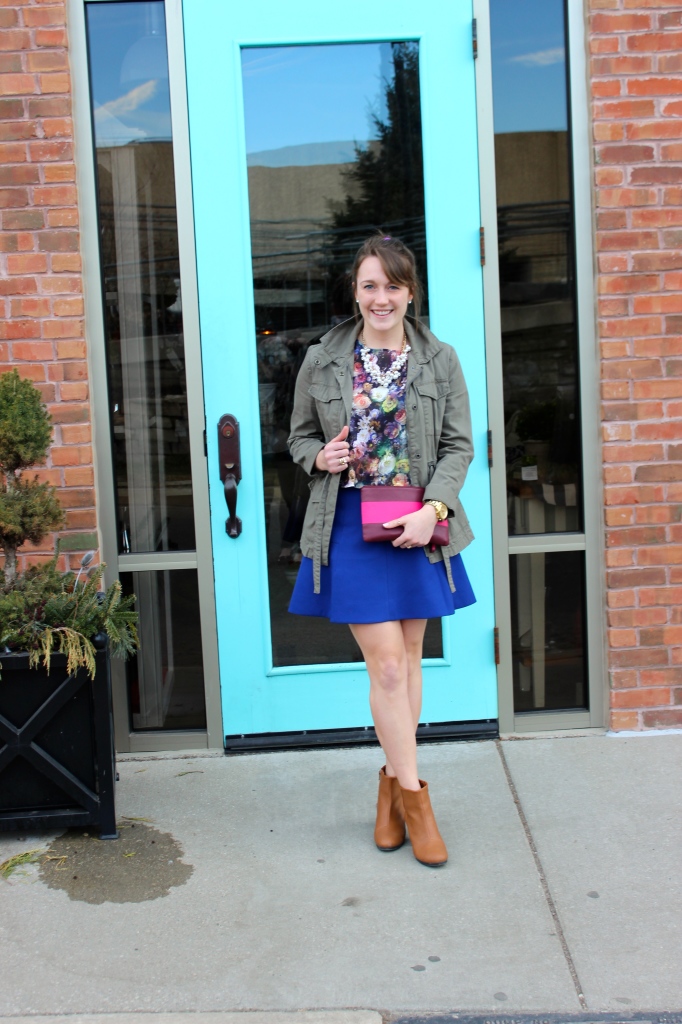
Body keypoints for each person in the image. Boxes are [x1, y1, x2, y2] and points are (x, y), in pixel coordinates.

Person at [288, 234, 475, 867]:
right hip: (349, 520)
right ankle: (416, 798)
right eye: (370, 286)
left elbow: (458, 447)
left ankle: (389, 793)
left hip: (418, 522)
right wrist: (319, 456)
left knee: (414, 657)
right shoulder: (322, 359)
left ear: (409, 291)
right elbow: (297, 438)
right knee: (388, 665)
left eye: (392, 286)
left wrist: (434, 511)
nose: (381, 298)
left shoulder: (440, 359)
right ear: (355, 292)